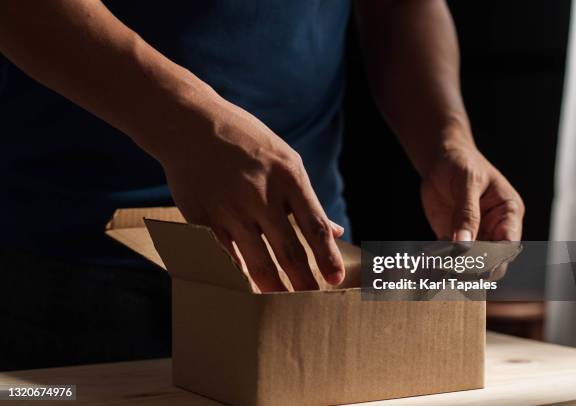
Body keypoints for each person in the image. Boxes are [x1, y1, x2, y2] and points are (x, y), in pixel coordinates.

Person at [0, 0, 524, 368]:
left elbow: (400, 5)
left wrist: (446, 140)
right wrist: (187, 125)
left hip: (304, 258)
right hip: (67, 251)